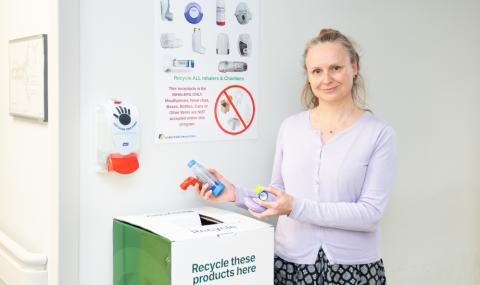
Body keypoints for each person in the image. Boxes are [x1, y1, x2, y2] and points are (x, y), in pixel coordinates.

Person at [194, 29, 397, 285]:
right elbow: (278, 194)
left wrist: (295, 207)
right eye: (317, 71)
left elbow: (370, 214)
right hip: (290, 265)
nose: (326, 79)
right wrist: (236, 194)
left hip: (354, 269)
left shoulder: (379, 134)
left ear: (354, 67)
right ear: (309, 76)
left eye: (336, 67)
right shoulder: (290, 127)